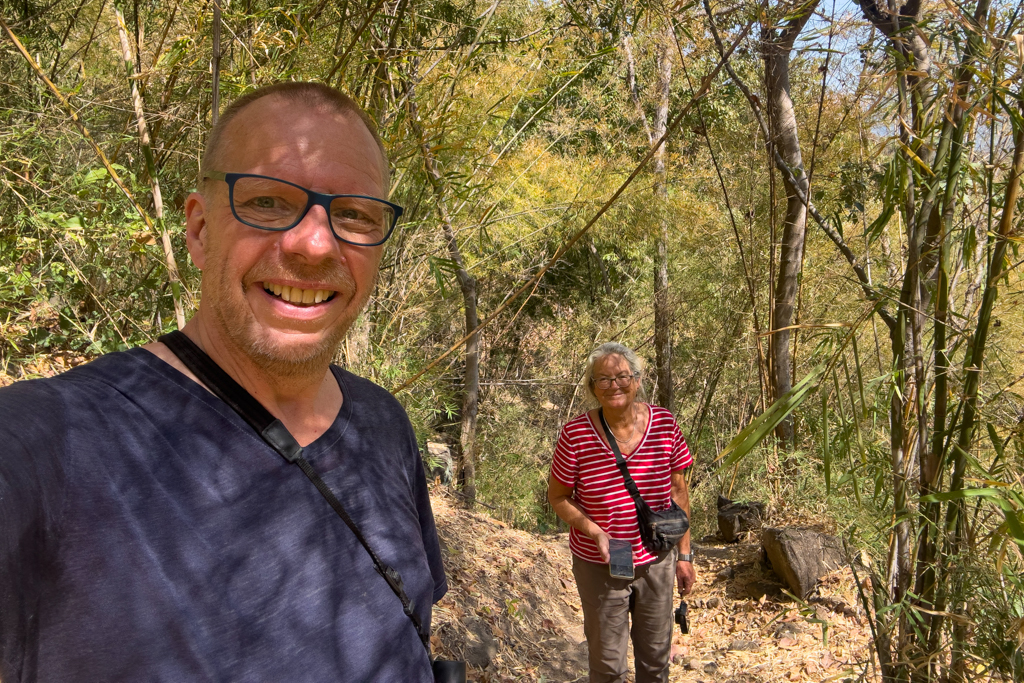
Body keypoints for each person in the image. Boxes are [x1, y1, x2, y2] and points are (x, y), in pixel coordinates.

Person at [0, 82, 447, 682]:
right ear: (200, 230)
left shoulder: (383, 424)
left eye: (354, 214)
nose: (315, 245)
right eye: (267, 202)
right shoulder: (52, 441)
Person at [548, 342, 696, 683]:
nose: (614, 385)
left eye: (622, 376)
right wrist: (596, 531)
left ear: (637, 380)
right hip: (600, 563)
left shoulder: (664, 424)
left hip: (657, 559)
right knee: (608, 666)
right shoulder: (576, 435)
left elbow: (679, 492)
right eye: (603, 379)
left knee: (656, 661)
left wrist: (685, 555)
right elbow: (558, 497)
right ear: (592, 388)